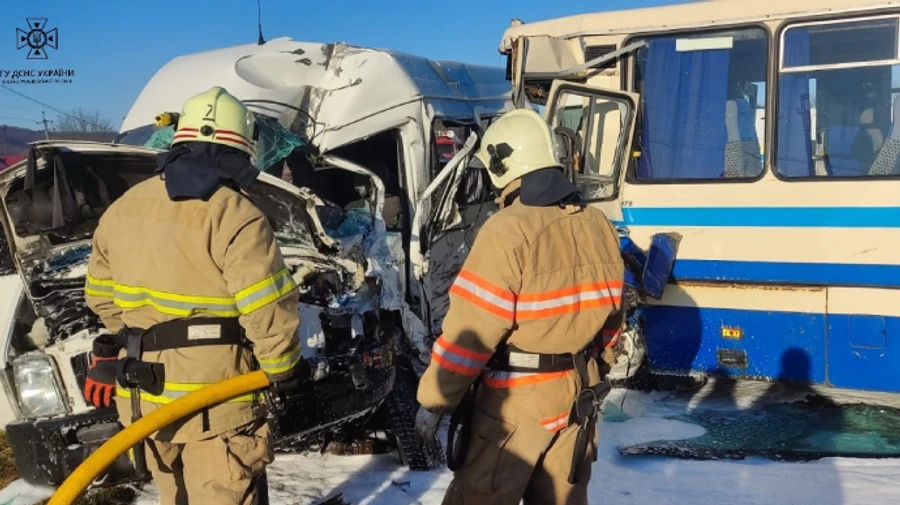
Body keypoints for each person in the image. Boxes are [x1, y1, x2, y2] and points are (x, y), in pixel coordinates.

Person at [82, 86, 307, 505]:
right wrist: (284, 371)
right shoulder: (236, 215)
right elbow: (268, 312)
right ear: (241, 146)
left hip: (146, 403)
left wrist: (142, 335)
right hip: (218, 407)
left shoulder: (126, 206)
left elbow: (100, 296)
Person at [415, 108, 625, 505]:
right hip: (579, 398)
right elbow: (613, 320)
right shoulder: (597, 223)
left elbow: (471, 333)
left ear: (502, 167)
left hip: (515, 406)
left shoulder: (508, 229)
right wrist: (595, 364)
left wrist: (435, 398)